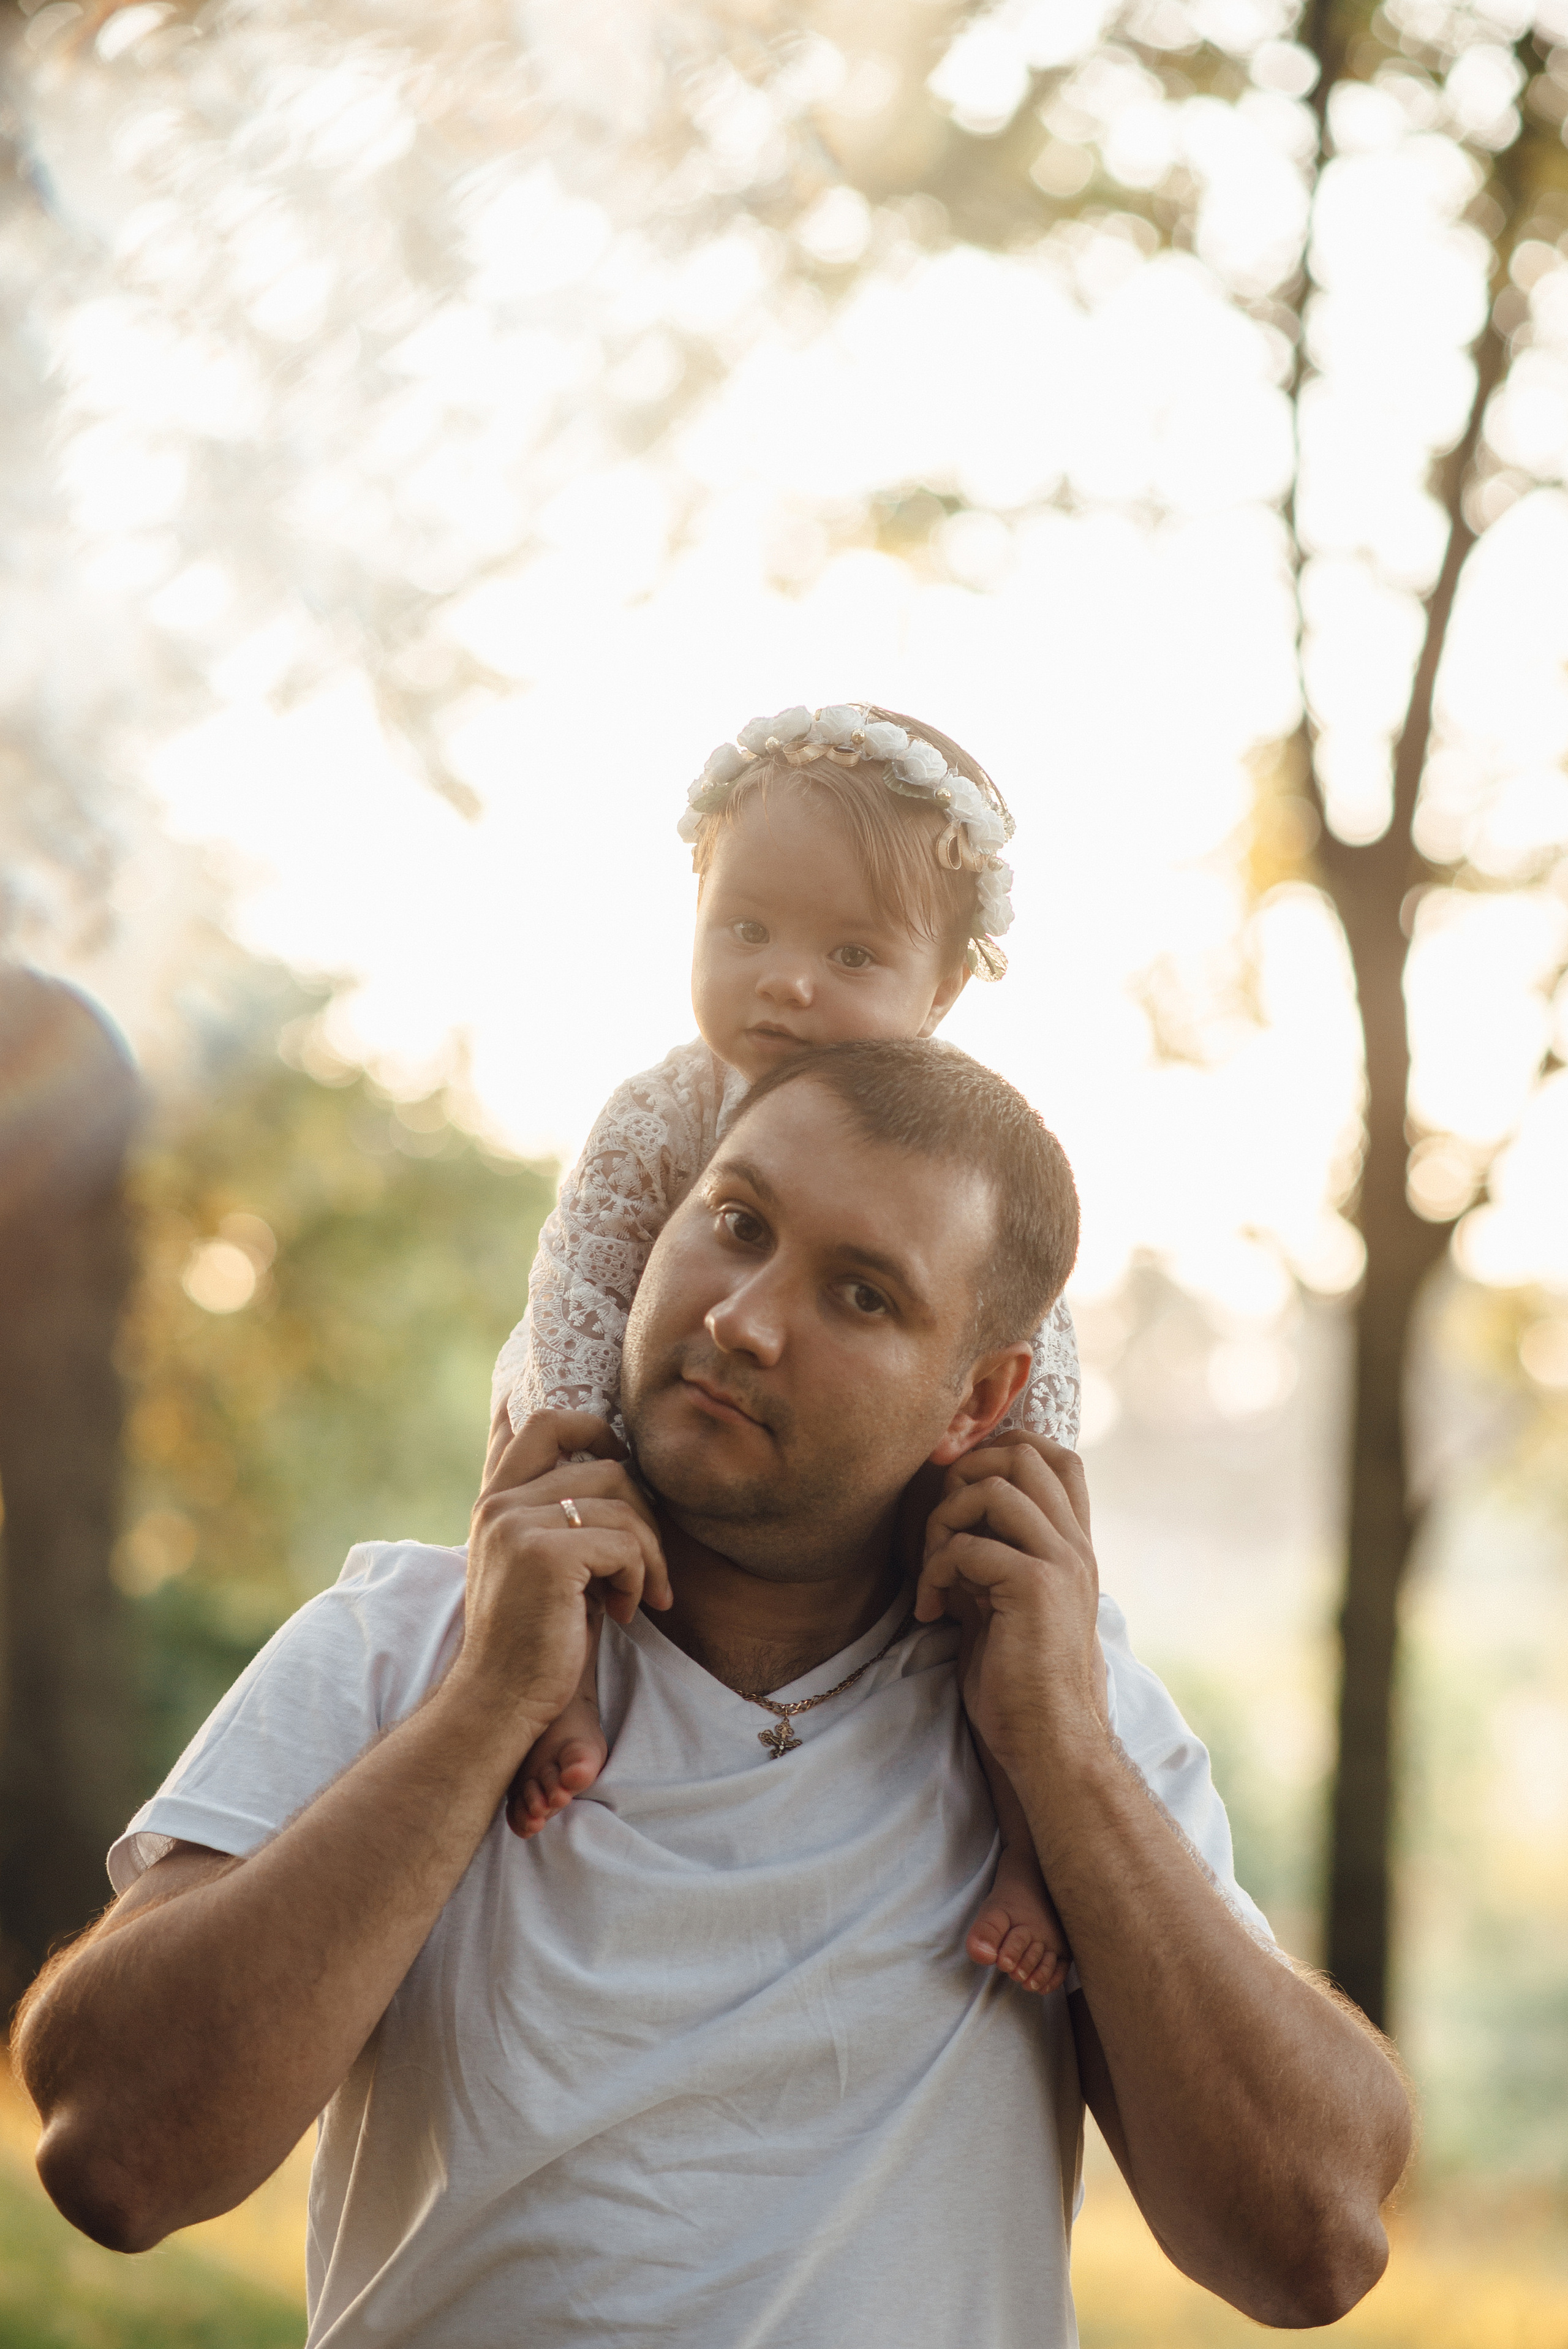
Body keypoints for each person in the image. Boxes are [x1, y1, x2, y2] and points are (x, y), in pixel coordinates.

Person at [17, 1039, 1411, 2349]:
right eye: (735, 1223)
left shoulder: (1063, 1711)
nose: (742, 1321)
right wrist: (488, 1705)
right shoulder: (410, 1640)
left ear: (974, 1404)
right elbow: (111, 2155)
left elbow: (1311, 2244)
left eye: (860, 1293)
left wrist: (1059, 1753)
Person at [497, 699, 1076, 1994]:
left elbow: (1039, 1380)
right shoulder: (663, 1110)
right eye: (744, 930)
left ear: (941, 993)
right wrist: (582, 1441)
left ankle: (1032, 1851)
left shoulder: (966, 1179)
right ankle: (556, 1690)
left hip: (871, 1491)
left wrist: (1038, 1517)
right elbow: (580, 1289)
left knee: (1015, 1636)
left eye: (851, 953)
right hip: (609, 1403)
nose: (785, 981)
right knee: (534, 1506)